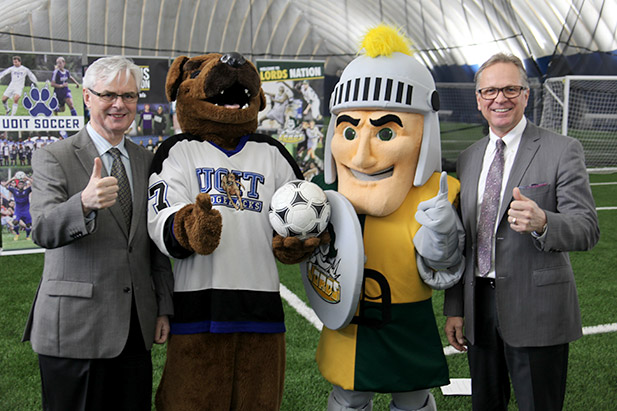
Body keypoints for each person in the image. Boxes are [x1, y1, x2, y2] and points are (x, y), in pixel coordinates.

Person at [315, 25, 464, 411]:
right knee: (348, 399)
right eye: (349, 130)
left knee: (413, 399)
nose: (362, 156)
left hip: (406, 321)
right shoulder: (320, 195)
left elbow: (445, 270)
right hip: (348, 320)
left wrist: (444, 240)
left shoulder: (438, 193)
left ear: (424, 134)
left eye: (384, 134)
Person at [444, 53, 600, 411]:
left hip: (537, 308)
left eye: (511, 89)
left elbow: (588, 228)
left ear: (526, 95)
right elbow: (463, 241)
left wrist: (545, 222)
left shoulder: (562, 150)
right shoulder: (468, 158)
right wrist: (455, 308)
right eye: (491, 91)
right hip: (478, 305)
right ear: (479, 100)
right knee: (486, 404)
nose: (501, 98)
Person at [22, 56, 174, 411]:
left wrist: (163, 307)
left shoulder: (146, 160)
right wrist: (84, 203)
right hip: (74, 331)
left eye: (129, 95)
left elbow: (152, 243)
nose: (120, 104)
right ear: (87, 97)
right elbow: (41, 228)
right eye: (108, 94)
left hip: (135, 328)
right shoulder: (53, 157)